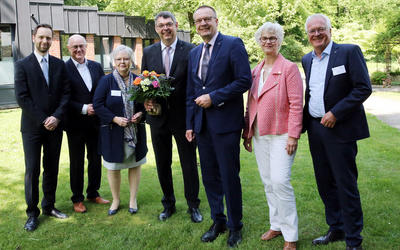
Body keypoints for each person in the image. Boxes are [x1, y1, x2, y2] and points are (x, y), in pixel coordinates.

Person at [302, 14, 372, 250]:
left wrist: (336, 113)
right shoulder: (307, 59)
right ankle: (337, 227)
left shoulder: (349, 52)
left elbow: (363, 87)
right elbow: (311, 93)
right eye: (312, 31)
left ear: (330, 30)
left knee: (345, 184)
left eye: (321, 29)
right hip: (315, 128)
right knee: (324, 183)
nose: (316, 34)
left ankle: (354, 241)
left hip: (340, 129)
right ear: (308, 35)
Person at [186, 5, 252, 248]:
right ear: (195, 25)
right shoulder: (194, 53)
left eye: (207, 19)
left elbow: (244, 80)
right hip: (202, 125)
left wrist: (214, 97)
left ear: (215, 20)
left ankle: (235, 225)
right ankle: (218, 220)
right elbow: (191, 92)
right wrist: (190, 123)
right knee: (210, 177)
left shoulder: (233, 44)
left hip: (226, 124)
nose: (203, 24)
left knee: (228, 176)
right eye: (198, 21)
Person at [242, 22, 303, 250]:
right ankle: (276, 224)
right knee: (268, 182)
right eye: (264, 38)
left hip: (282, 134)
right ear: (259, 42)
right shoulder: (255, 71)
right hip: (259, 134)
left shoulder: (289, 68)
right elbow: (250, 104)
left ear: (280, 41)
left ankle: (291, 235)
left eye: (273, 38)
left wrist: (294, 135)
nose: (268, 41)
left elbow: (297, 104)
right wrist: (247, 132)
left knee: (280, 181)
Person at [141, 11, 202, 223]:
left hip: (184, 119)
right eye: (161, 25)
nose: (165, 28)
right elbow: (143, 83)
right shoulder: (148, 52)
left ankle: (193, 205)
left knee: (189, 163)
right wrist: (145, 102)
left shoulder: (192, 50)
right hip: (158, 119)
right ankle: (168, 204)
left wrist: (193, 119)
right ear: (156, 29)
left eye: (169, 24)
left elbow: (195, 84)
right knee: (162, 162)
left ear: (176, 25)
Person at [14, 23, 70, 231]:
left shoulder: (59, 64)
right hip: (32, 127)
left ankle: (49, 206)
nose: (45, 41)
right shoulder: (22, 65)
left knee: (52, 168)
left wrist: (55, 117)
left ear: (52, 40)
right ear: (33, 38)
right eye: (41, 37)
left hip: (55, 126)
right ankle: (32, 213)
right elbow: (22, 97)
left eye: (48, 38)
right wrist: (43, 119)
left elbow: (66, 94)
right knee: (32, 169)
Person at [93, 45, 147, 216]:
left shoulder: (139, 81)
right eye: (119, 59)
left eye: (126, 59)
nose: (122, 62)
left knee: (135, 165)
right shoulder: (106, 81)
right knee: (113, 167)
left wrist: (140, 114)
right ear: (114, 62)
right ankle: (116, 200)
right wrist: (114, 119)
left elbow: (145, 105)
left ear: (131, 60)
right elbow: (98, 105)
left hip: (135, 133)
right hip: (113, 132)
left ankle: (133, 199)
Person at [65, 34, 109, 213]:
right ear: (68, 48)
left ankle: (93, 192)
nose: (78, 50)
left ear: (86, 47)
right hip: (75, 122)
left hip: (95, 122)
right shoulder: (63, 68)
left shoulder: (96, 66)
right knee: (76, 161)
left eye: (81, 46)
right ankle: (77, 199)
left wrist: (98, 109)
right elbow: (63, 97)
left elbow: (102, 91)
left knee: (95, 158)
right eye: (75, 47)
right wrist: (83, 108)